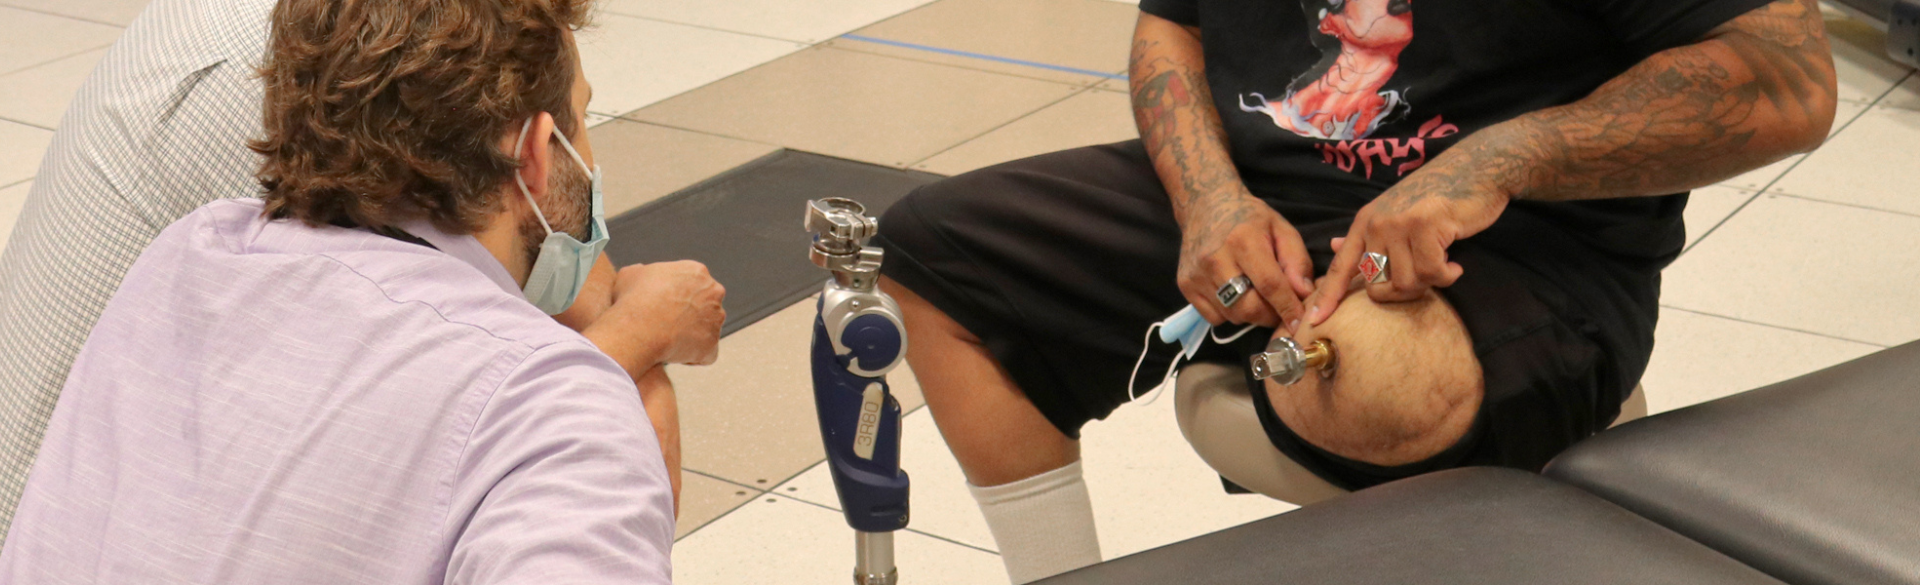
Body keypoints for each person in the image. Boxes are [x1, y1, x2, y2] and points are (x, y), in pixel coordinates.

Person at [871, 0, 1838, 581]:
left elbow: (1787, 83)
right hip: (1260, 181)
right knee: (933, 256)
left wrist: (1503, 157)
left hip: (1519, 228)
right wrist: (1210, 200)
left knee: (1374, 382)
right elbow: (1172, 26)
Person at [0, 0, 723, 581]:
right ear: (536, 152)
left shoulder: (189, 251)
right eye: (583, 121)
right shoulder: (556, 414)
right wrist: (618, 376)